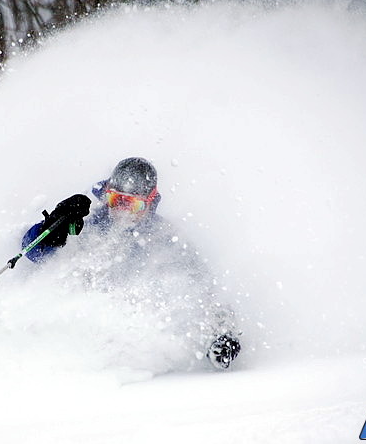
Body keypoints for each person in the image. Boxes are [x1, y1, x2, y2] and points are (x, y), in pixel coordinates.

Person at [21, 157, 242, 369]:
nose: (122, 212)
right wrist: (50, 229)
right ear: (107, 194)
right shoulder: (85, 224)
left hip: (124, 346)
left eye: (133, 205)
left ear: (150, 202)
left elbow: (205, 291)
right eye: (116, 201)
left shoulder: (165, 240)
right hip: (67, 332)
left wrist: (222, 332)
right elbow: (30, 252)